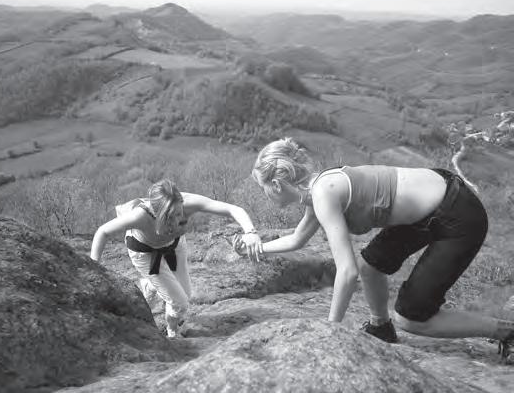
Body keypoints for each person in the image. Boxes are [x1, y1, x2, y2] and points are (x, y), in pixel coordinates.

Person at [235, 137, 514, 359]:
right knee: (370, 267)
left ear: (276, 184)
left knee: (412, 318)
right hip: (436, 204)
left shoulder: (323, 194)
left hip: (458, 216)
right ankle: (381, 327)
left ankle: (507, 332)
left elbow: (346, 272)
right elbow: (297, 239)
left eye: (262, 188)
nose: (264, 194)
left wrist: (330, 331)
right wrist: (256, 248)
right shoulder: (318, 188)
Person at [91, 179, 262, 338]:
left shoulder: (189, 203)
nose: (178, 220)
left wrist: (250, 232)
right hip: (145, 252)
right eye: (170, 216)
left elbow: (233, 209)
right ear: (156, 213)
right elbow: (103, 232)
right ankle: (172, 332)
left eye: (179, 213)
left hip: (175, 246)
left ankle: (151, 285)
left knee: (186, 294)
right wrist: (93, 267)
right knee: (180, 303)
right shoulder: (140, 216)